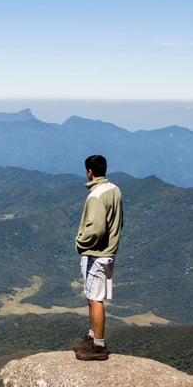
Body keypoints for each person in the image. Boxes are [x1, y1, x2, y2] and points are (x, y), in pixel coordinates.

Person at [73, 154, 123, 361]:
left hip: (96, 254)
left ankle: (98, 346)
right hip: (109, 251)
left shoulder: (96, 196)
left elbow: (96, 229)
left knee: (95, 299)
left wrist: (80, 243)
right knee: (93, 296)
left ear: (89, 171)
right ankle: (92, 337)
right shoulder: (114, 190)